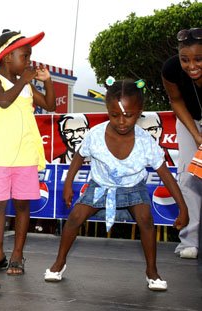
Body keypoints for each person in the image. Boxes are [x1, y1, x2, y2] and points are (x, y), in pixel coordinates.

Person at [44, 79, 189, 291]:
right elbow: (78, 157)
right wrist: (68, 185)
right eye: (115, 115)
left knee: (146, 219)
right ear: (107, 111)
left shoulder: (145, 142)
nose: (121, 121)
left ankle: (152, 271)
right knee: (75, 217)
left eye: (128, 115)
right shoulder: (95, 135)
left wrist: (183, 208)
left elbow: (166, 175)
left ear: (139, 112)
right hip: (100, 185)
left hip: (134, 187)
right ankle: (59, 263)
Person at [0, 29, 56, 275]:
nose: (29, 62)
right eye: (24, 56)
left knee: (22, 204)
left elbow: (50, 105)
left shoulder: (26, 86)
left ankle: (17, 254)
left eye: (30, 57)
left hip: (24, 152)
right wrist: (25, 80)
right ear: (7, 57)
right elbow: (2, 101)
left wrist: (46, 82)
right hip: (0, 153)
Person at [162, 27, 202, 259]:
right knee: (189, 176)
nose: (192, 66)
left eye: (198, 59)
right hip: (189, 121)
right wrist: (197, 137)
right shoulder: (171, 69)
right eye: (185, 59)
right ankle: (189, 241)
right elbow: (176, 101)